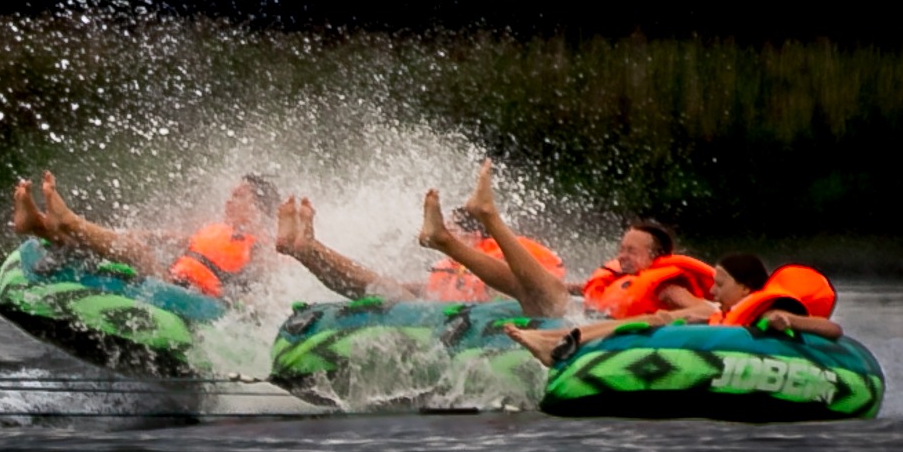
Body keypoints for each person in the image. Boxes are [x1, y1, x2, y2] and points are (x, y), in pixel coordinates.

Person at [418, 159, 712, 320]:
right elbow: (583, 291)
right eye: (621, 249)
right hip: (572, 321)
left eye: (632, 251)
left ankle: (487, 217)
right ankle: (444, 239)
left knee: (550, 296)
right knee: (522, 285)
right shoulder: (617, 279)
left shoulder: (668, 287)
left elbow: (703, 310)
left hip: (580, 330)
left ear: (655, 257)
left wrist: (656, 320)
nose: (622, 256)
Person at [504, 252, 844, 367]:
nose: (713, 289)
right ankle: (557, 339)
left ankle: (556, 341)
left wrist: (791, 320)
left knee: (657, 320)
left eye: (721, 283)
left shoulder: (764, 312)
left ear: (745, 288)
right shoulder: (721, 311)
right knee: (655, 320)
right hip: (706, 340)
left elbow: (833, 330)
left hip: (746, 355)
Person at [12, 170, 281, 299]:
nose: (229, 200)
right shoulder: (215, 231)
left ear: (259, 208)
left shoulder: (263, 249)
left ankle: (68, 221)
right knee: (124, 246)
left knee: (138, 254)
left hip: (196, 298)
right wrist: (125, 235)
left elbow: (259, 293)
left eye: (239, 196)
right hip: (173, 282)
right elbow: (162, 237)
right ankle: (39, 226)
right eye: (231, 194)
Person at [275, 193, 565, 303]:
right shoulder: (459, 268)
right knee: (384, 289)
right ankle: (309, 251)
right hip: (457, 323)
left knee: (386, 291)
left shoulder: (503, 257)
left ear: (476, 236)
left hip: (471, 320)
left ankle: (309, 250)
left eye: (454, 229)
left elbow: (522, 288)